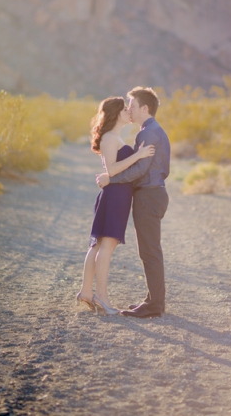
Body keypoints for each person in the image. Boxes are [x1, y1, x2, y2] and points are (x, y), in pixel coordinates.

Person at [96, 87, 170, 319]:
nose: (129, 109)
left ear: (144, 108)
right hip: (153, 193)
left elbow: (141, 169)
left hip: (148, 195)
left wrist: (111, 179)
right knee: (149, 251)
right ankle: (153, 300)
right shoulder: (151, 131)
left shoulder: (148, 134)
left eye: (133, 105)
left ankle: (155, 305)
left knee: (150, 252)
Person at [77, 96, 155, 316]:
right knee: (106, 249)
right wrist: (138, 154)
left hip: (115, 194)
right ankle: (101, 297)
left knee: (98, 247)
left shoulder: (113, 137)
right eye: (125, 109)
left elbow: (111, 172)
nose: (129, 112)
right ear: (116, 114)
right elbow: (112, 170)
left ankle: (85, 292)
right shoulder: (111, 138)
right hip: (115, 196)